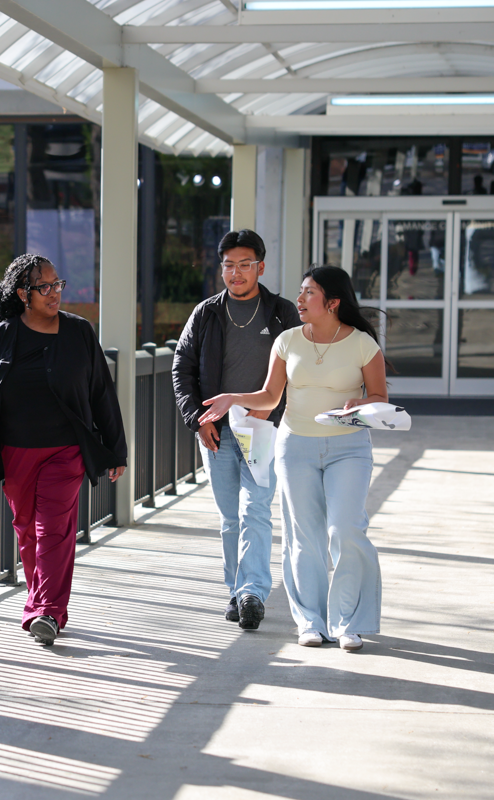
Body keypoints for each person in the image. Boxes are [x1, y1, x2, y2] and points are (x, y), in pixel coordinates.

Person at [199, 266, 388, 652]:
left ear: (332, 302)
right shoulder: (286, 341)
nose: (299, 300)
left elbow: (380, 398)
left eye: (309, 293)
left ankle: (348, 622)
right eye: (300, 292)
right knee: (303, 538)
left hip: (349, 448)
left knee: (346, 530)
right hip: (295, 447)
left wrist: (360, 402)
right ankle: (311, 621)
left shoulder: (363, 344)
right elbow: (270, 397)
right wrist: (233, 398)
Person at [0, 254, 127, 646]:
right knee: (27, 531)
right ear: (23, 294)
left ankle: (47, 612)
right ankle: (40, 602)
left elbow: (101, 392)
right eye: (45, 287)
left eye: (58, 285)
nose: (54, 293)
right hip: (15, 451)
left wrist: (115, 449)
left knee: (52, 528)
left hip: (65, 449)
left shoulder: (79, 333)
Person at [172, 230, 301, 631]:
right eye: (229, 265)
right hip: (218, 432)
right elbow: (183, 369)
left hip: (263, 428)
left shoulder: (280, 313)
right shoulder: (207, 313)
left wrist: (274, 411)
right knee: (231, 517)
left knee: (256, 510)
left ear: (260, 267)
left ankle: (253, 593)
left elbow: (299, 370)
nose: (236, 273)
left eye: (245, 264)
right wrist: (197, 420)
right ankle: (235, 589)